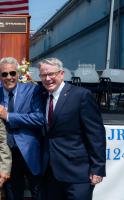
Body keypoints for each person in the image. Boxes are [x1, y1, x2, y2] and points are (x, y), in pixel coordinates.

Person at [38, 58, 106, 200]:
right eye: (43, 75)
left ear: (61, 74)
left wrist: (98, 168)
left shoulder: (81, 95)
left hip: (77, 173)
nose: (47, 78)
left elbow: (96, 135)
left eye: (51, 74)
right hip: (50, 174)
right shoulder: (43, 97)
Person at [0, 57, 45, 200]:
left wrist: (8, 116)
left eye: (12, 73)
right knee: (13, 195)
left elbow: (39, 118)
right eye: (4, 74)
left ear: (18, 74)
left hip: (30, 152)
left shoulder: (32, 90)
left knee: (38, 193)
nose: (9, 77)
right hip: (7, 156)